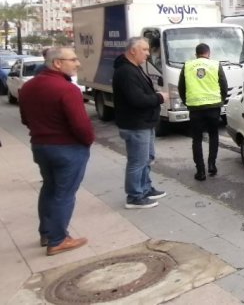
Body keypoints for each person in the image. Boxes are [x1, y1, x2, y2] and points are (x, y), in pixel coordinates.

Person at [19, 47, 95, 256]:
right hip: (67, 148)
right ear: (57, 63)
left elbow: (25, 119)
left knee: (50, 189)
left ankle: (47, 232)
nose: (77, 63)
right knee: (64, 194)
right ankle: (58, 239)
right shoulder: (67, 89)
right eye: (73, 60)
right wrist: (88, 141)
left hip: (41, 146)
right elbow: (81, 125)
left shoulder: (28, 87)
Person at [113, 37, 168, 209]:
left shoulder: (134, 68)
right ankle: (135, 196)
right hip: (135, 124)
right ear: (133, 50)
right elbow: (136, 99)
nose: (147, 53)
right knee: (138, 161)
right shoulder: (126, 72)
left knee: (147, 158)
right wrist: (159, 97)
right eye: (144, 50)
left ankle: (145, 188)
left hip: (144, 122)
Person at [178, 43, 228, 181]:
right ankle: (212, 164)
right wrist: (220, 101)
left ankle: (200, 171)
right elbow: (224, 85)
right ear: (209, 53)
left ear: (196, 54)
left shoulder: (187, 66)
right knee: (213, 135)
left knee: (197, 139)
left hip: (195, 108)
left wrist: (187, 102)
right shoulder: (215, 65)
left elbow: (181, 87)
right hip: (213, 107)